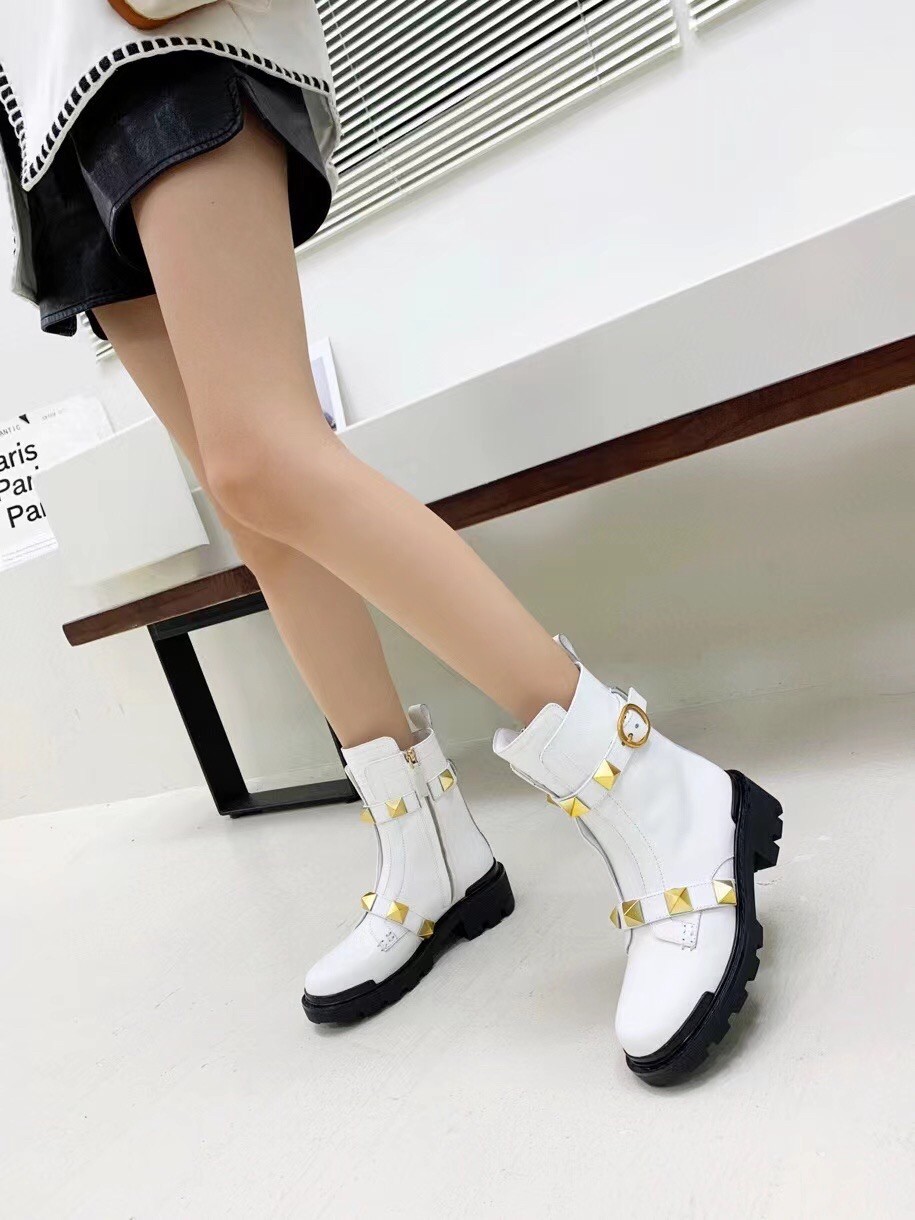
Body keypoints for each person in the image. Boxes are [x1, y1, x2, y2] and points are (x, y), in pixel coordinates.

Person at [0, 0, 781, 1085]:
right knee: (253, 510)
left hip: (145, 43)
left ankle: (655, 790)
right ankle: (427, 845)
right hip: (42, 115)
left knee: (263, 457)